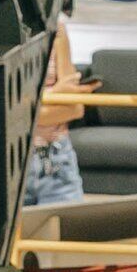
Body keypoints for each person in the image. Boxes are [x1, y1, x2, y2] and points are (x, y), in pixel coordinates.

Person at [22, 31, 95, 207]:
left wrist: (29, 107)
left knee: (68, 231)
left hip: (58, 160)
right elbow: (7, 116)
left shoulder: (57, 30)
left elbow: (75, 109)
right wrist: (54, 94)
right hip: (13, 163)